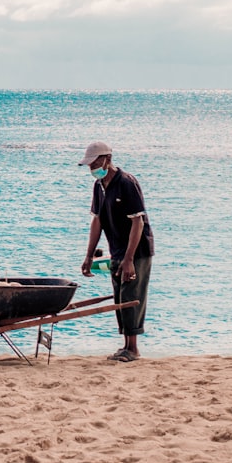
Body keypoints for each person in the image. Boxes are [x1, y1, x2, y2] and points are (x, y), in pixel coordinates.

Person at [78, 141, 154, 363]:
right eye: (89, 165)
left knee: (131, 295)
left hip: (136, 250)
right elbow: (97, 221)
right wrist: (89, 255)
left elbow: (138, 223)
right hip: (117, 248)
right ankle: (126, 346)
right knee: (120, 296)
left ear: (107, 159)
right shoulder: (99, 185)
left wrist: (129, 259)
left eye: (95, 163)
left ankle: (133, 349)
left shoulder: (127, 183)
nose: (92, 168)